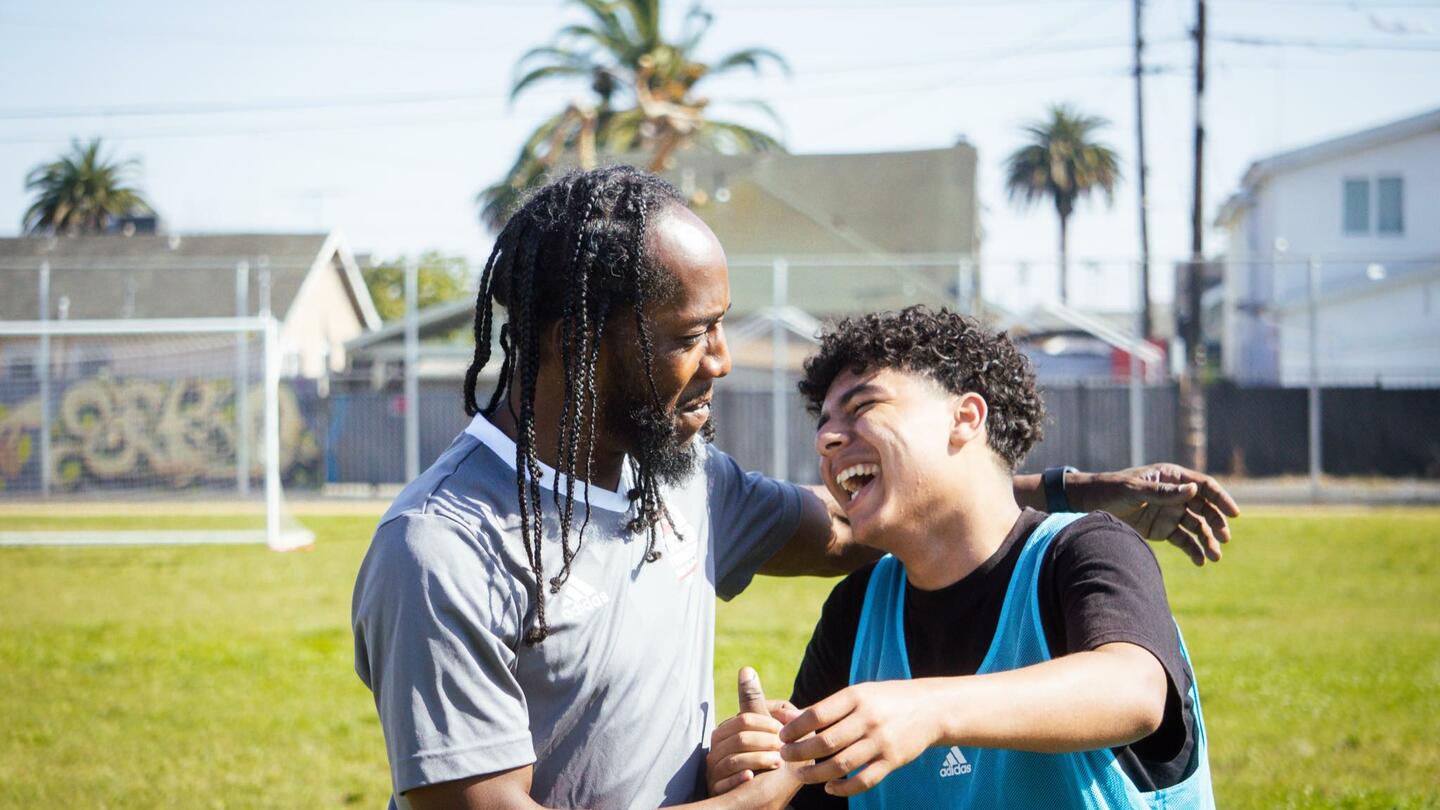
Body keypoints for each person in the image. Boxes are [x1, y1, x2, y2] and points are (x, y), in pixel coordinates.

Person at [351, 167, 1237, 810]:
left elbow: (865, 522)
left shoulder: (683, 479)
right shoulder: (440, 548)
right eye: (693, 334)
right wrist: (751, 798)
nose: (724, 362)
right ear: (575, 343)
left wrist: (1074, 494)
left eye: (723, 327)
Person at [707, 306, 1215, 809]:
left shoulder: (1081, 550)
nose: (826, 438)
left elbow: (1132, 689)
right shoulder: (856, 610)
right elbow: (815, 794)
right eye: (823, 425)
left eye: (862, 407)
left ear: (965, 418)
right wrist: (767, 773)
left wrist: (929, 710)